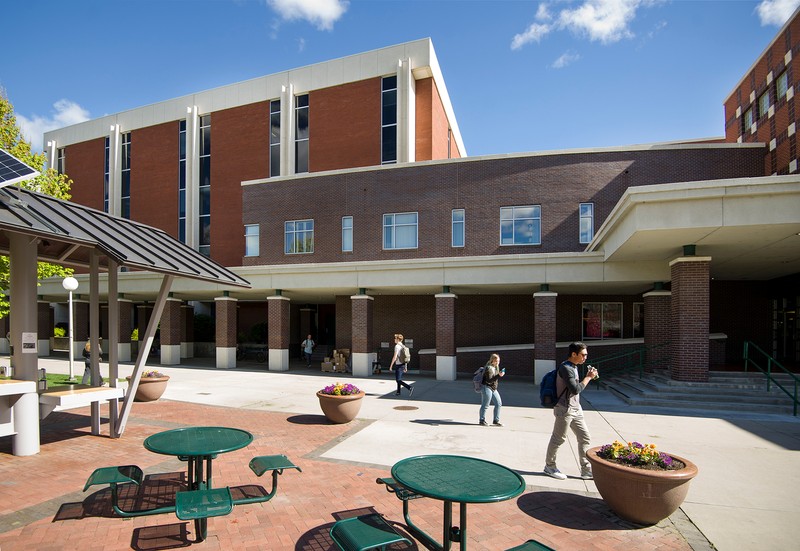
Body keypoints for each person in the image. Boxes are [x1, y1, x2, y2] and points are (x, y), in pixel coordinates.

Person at [543, 341, 599, 480]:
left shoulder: (574, 367)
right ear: (573, 354)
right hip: (564, 409)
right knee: (558, 439)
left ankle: (586, 470)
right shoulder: (566, 368)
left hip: (576, 408)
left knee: (585, 437)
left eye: (586, 355)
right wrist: (588, 377)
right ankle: (550, 466)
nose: (585, 358)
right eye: (583, 355)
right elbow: (575, 389)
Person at [479, 353, 505, 426]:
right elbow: (489, 380)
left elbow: (494, 380)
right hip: (486, 387)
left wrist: (499, 374)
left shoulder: (496, 367)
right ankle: (482, 420)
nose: (497, 363)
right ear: (492, 361)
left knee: (498, 403)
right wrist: (499, 375)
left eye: (498, 361)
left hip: (493, 388)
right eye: (496, 361)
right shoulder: (488, 368)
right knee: (485, 404)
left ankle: (496, 421)